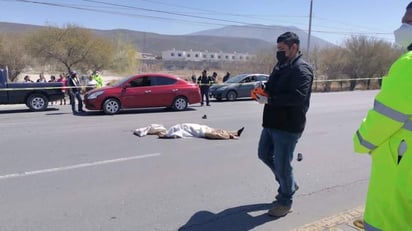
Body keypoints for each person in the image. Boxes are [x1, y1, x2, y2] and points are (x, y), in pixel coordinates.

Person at [353, 2, 412, 230]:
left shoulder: (408, 66)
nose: (403, 27)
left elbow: (385, 116)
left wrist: (360, 141)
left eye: (409, 22)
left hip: (401, 168)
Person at [254, 32, 313, 217]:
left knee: (282, 165)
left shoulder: (302, 69)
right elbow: (272, 87)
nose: (278, 52)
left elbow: (297, 98)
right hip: (271, 122)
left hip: (288, 126)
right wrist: (262, 91)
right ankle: (290, 184)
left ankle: (285, 200)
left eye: (282, 49)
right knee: (263, 154)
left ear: (294, 47)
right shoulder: (280, 65)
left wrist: (269, 100)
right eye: (277, 49)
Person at [134, 123, 244, 139]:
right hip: (201, 130)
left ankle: (234, 133)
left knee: (217, 132)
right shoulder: (171, 131)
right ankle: (232, 135)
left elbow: (175, 134)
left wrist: (162, 135)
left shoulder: (172, 129)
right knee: (217, 133)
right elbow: (177, 134)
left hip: (202, 129)